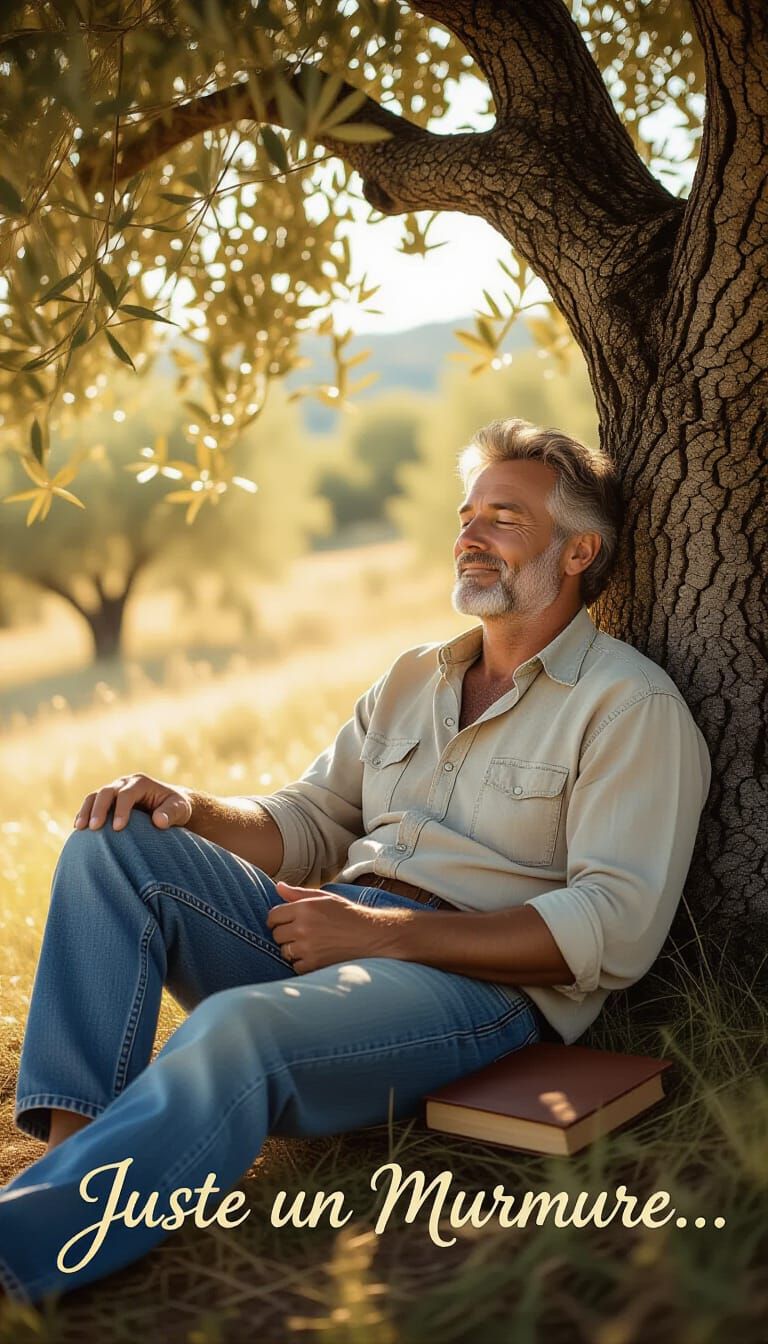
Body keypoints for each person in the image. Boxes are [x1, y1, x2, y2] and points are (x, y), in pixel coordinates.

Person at [0, 418, 711, 1303]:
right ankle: (76, 1173)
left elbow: (616, 928)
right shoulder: (413, 677)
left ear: (579, 552)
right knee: (116, 844)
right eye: (466, 514)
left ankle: (19, 1255)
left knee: (236, 1031)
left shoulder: (627, 706)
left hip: (476, 994)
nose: (469, 537)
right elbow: (311, 817)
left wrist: (382, 935)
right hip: (329, 934)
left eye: (504, 518)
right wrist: (191, 808)